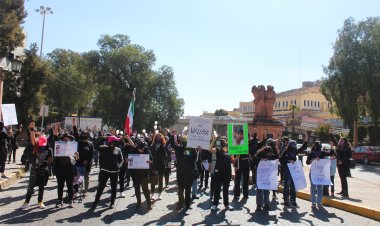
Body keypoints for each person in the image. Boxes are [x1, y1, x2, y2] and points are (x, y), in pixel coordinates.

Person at [20, 126, 52, 209]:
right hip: (34, 169)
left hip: (43, 170)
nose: (42, 145)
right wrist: (32, 130)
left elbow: (50, 161)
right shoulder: (36, 147)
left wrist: (46, 162)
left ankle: (40, 202)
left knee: (41, 187)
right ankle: (26, 202)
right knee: (30, 187)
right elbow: (33, 139)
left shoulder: (49, 150)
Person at [91, 135, 124, 209]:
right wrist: (102, 138)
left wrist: (118, 167)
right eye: (115, 141)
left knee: (113, 188)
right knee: (100, 187)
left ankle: (112, 202)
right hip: (104, 171)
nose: (116, 142)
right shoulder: (103, 148)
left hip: (114, 172)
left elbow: (121, 160)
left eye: (116, 141)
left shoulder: (118, 150)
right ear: (111, 142)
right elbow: (95, 146)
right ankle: (95, 202)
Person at [168, 131, 197, 210]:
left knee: (187, 190)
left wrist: (197, 149)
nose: (185, 143)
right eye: (184, 142)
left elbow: (195, 158)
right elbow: (173, 144)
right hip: (181, 172)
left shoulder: (192, 150)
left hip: (188, 173)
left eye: (186, 142)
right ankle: (181, 204)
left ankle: (186, 204)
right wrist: (172, 136)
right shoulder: (179, 149)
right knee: (181, 189)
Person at [126, 136, 153, 210]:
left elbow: (152, 161)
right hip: (135, 174)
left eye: (142, 149)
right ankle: (138, 202)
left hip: (144, 174)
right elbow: (130, 160)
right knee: (137, 189)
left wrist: (150, 162)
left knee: (145, 190)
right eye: (139, 149)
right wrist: (128, 160)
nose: (141, 150)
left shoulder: (147, 151)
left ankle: (149, 204)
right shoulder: (134, 150)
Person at [53, 126, 76, 208]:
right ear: (62, 139)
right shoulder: (58, 146)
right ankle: (60, 200)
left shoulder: (73, 147)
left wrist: (77, 156)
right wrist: (54, 170)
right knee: (60, 185)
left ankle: (70, 200)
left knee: (70, 185)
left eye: (68, 139)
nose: (66, 140)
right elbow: (54, 138)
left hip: (69, 169)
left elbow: (76, 159)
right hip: (60, 168)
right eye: (64, 139)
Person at [210, 136, 234, 211]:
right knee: (217, 189)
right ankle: (215, 204)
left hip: (227, 173)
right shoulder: (217, 150)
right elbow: (210, 150)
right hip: (219, 173)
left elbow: (232, 161)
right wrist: (213, 141)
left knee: (225, 190)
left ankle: (226, 204)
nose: (225, 142)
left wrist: (237, 157)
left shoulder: (230, 151)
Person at [72, 119, 93, 197]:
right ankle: (76, 191)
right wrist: (74, 124)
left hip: (86, 164)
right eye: (83, 134)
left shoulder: (90, 144)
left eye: (85, 134)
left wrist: (87, 161)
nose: (84, 135)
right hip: (78, 163)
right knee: (77, 178)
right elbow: (75, 133)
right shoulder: (78, 141)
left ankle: (85, 191)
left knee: (86, 178)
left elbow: (91, 154)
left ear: (88, 135)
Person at [306, 141, 328, 208]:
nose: (317, 147)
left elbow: (330, 155)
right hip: (313, 172)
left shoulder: (322, 153)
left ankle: (319, 202)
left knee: (319, 188)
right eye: (316, 146)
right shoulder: (311, 153)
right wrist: (314, 159)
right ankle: (313, 202)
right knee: (313, 187)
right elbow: (307, 162)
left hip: (320, 173)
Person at [254, 145, 275, 211]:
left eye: (270, 154)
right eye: (269, 154)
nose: (270, 155)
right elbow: (253, 161)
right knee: (259, 189)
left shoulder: (270, 156)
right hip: (260, 174)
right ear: (265, 152)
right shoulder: (258, 155)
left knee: (266, 189)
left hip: (267, 174)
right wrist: (261, 160)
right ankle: (259, 205)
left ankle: (266, 204)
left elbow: (276, 159)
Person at [280, 140, 298, 207]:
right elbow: (281, 159)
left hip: (293, 169)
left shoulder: (295, 151)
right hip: (287, 170)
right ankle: (285, 200)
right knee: (287, 185)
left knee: (293, 185)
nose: (294, 147)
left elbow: (295, 158)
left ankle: (293, 200)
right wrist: (288, 160)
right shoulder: (286, 151)